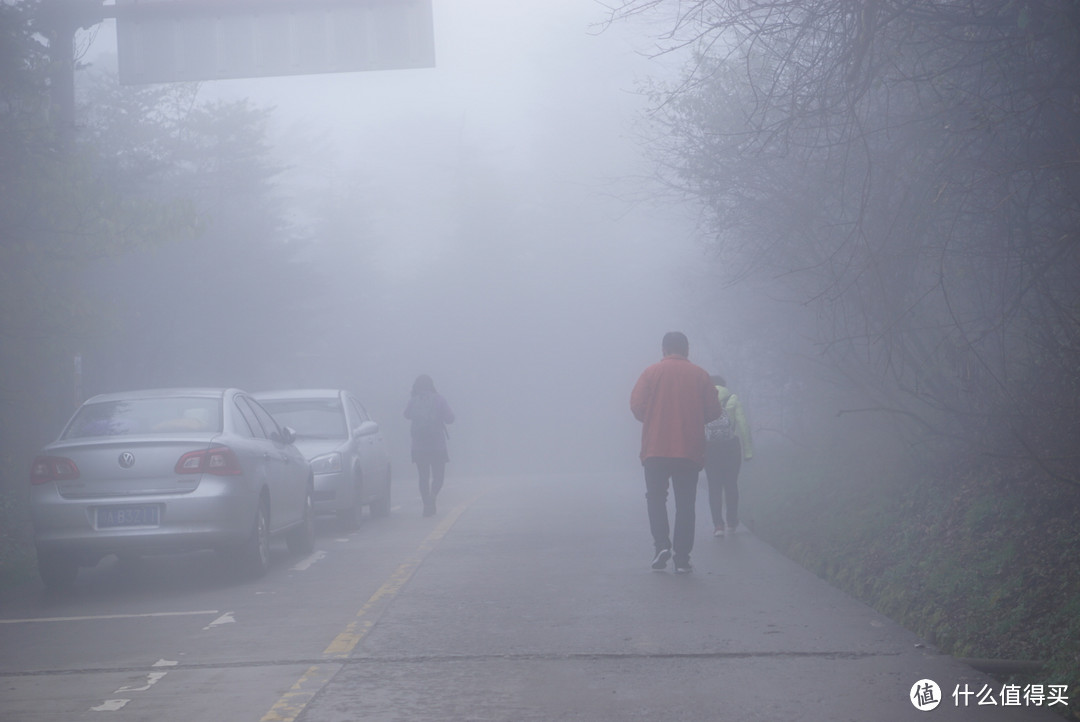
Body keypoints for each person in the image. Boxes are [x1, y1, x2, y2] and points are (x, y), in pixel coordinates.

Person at [631, 332, 724, 573]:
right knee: (685, 503)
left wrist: (652, 417)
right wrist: (694, 417)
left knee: (655, 497)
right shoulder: (701, 375)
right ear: (687, 350)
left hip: (655, 448)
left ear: (663, 350)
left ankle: (661, 544)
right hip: (688, 448)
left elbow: (637, 406)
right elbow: (714, 411)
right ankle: (682, 558)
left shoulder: (650, 373)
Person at [704, 375, 754, 537]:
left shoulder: (703, 400)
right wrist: (748, 451)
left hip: (710, 449)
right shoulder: (733, 399)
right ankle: (732, 520)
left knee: (714, 487)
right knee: (731, 484)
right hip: (730, 448)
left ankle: (718, 525)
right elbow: (743, 425)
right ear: (724, 385)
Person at [404, 374, 455, 516]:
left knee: (423, 476)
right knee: (438, 476)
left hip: (419, 447)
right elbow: (451, 418)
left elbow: (406, 415)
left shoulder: (413, 400)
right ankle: (433, 496)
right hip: (437, 445)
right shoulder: (439, 399)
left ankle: (426, 502)